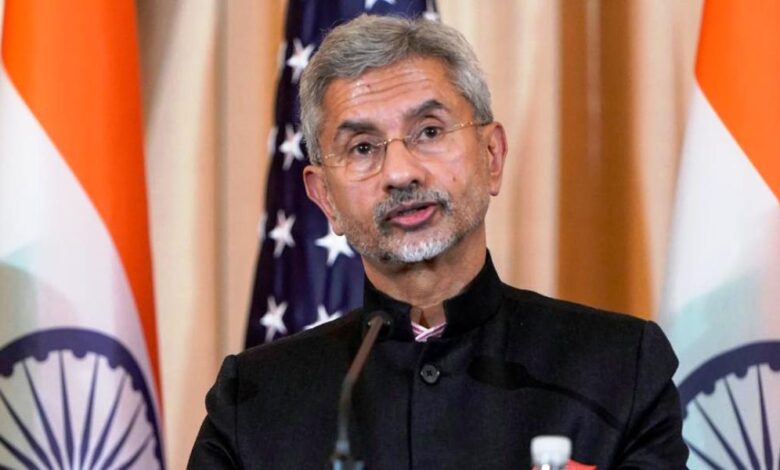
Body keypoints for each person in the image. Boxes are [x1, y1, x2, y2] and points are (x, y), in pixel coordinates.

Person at [188, 14, 688, 469]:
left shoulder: (617, 370)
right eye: (362, 147)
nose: (400, 172)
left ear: (492, 156)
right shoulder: (253, 403)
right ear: (325, 200)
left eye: (429, 131)